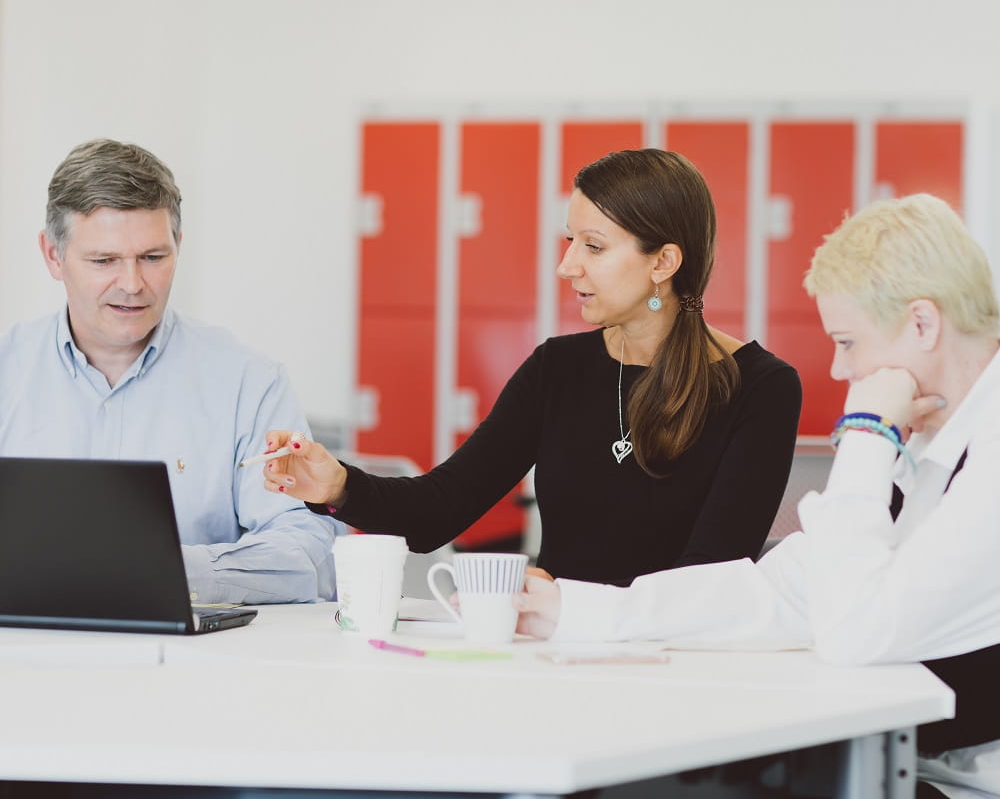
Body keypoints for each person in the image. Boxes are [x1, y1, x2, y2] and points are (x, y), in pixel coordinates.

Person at [514, 192, 1000, 799]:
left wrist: (869, 436)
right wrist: (576, 610)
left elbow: (857, 631)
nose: (838, 371)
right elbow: (782, 588)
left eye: (847, 342)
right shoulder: (937, 449)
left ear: (923, 324)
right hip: (911, 765)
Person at [263, 149, 801, 587]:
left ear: (663, 262)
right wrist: (337, 487)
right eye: (572, 241)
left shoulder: (760, 388)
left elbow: (710, 580)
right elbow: (437, 511)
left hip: (671, 672)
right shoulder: (557, 368)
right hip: (556, 656)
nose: (568, 266)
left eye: (593, 246)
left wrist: (577, 613)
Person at [0, 139, 339, 604]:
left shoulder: (249, 382)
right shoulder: (8, 371)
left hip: (192, 665)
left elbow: (310, 553)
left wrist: (171, 570)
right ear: (53, 256)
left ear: (178, 245)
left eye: (153, 258)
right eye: (104, 261)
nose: (133, 284)